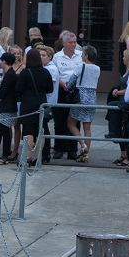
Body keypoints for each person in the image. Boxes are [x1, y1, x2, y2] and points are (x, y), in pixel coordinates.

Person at [15, 48, 52, 167]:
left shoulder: (25, 72)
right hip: (41, 102)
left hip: (28, 104)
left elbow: (18, 89)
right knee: (41, 130)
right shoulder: (46, 72)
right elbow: (50, 89)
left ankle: (27, 157)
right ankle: (37, 157)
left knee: (28, 130)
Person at [64, 45, 100, 163]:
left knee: (70, 123)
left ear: (86, 56)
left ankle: (82, 144)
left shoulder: (80, 66)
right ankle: (86, 154)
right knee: (87, 127)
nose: (81, 56)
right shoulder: (97, 68)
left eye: (82, 54)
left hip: (80, 97)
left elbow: (71, 81)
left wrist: (67, 86)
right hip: (92, 98)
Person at [51, 31, 81, 160]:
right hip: (61, 89)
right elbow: (55, 73)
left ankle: (72, 149)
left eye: (75, 42)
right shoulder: (57, 57)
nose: (73, 45)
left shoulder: (80, 55)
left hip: (76, 90)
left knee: (74, 120)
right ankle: (59, 148)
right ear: (64, 43)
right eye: (70, 42)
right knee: (60, 119)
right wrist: (62, 83)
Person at [37, 46, 60, 165]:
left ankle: (45, 154)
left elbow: (48, 87)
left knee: (44, 128)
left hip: (47, 103)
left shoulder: (51, 69)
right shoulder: (46, 68)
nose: (41, 57)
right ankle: (44, 153)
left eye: (43, 55)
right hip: (46, 102)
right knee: (43, 127)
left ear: (50, 57)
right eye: (40, 55)